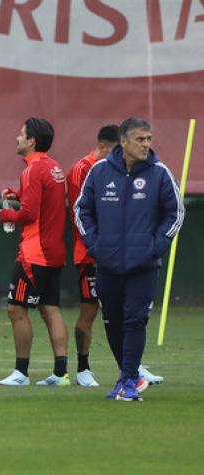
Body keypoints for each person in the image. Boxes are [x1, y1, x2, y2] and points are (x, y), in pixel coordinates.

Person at [75, 117, 184, 401]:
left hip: (143, 265)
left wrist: (155, 247)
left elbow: (176, 213)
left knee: (135, 321)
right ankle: (131, 377)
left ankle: (126, 379)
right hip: (107, 263)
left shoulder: (159, 173)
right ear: (123, 141)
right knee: (112, 322)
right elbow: (81, 209)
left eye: (149, 139)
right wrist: (95, 245)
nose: (146, 145)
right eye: (140, 139)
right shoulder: (100, 172)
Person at [0, 118, 69, 386]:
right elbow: (43, 200)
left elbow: (29, 213)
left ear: (32, 141)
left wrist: (6, 213)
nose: (17, 137)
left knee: (16, 308)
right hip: (54, 251)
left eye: (21, 134)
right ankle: (60, 373)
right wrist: (19, 194)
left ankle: (21, 372)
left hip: (34, 252)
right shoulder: (53, 167)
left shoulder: (32, 169)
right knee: (50, 307)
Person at [66, 124, 118, 387]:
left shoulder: (116, 169)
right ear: (106, 147)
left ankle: (132, 366)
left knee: (126, 310)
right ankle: (83, 368)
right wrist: (97, 247)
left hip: (117, 254)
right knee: (89, 309)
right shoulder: (82, 169)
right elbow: (81, 214)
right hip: (90, 254)